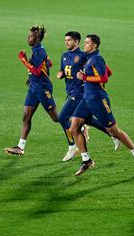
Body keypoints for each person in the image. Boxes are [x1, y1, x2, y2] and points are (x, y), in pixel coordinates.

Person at [70, 34, 134, 176]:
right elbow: (108, 72)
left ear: (94, 46)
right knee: (74, 128)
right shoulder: (90, 58)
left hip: (98, 100)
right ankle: (87, 160)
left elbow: (104, 78)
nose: (84, 45)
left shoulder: (96, 58)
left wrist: (84, 77)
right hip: (86, 100)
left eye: (86, 43)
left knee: (113, 131)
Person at [57, 31, 120, 161]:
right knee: (87, 119)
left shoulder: (84, 56)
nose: (66, 42)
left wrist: (91, 80)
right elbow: (64, 69)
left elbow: (106, 72)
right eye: (65, 40)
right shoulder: (64, 56)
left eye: (69, 40)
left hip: (80, 93)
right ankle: (113, 134)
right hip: (70, 92)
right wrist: (61, 73)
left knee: (63, 117)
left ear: (76, 41)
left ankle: (72, 146)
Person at [5, 25, 58, 156]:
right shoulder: (36, 50)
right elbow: (49, 63)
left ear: (38, 38)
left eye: (31, 36)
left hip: (43, 89)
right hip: (34, 88)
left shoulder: (39, 50)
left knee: (56, 118)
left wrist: (23, 59)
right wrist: (31, 78)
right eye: (28, 36)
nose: (28, 38)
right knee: (26, 116)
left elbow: (36, 70)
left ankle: (80, 127)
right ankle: (20, 147)